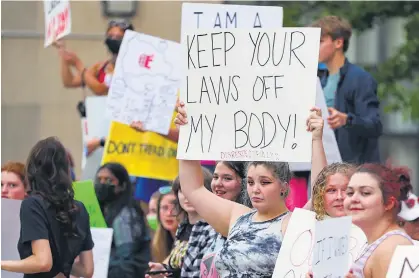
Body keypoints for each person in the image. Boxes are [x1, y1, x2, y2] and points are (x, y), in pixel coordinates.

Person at [175, 101, 324, 276]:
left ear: (284, 186)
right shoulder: (237, 217)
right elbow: (193, 189)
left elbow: (319, 196)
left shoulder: (292, 223)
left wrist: (316, 140)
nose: (256, 189)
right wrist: (187, 135)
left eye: (265, 182)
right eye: (251, 182)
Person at [1, 137, 94, 278]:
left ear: (32, 169)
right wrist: (63, 264)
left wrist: (2, 264)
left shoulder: (33, 204)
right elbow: (87, 270)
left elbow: (43, 262)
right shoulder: (80, 208)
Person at [311, 15, 382, 164]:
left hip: (352, 170)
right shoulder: (319, 79)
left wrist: (347, 120)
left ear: (338, 43)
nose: (315, 47)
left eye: (320, 42)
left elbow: (375, 126)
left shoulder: (360, 79)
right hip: (325, 165)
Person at [343, 163, 414, 277]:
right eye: (350, 193)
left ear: (389, 203)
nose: (354, 199)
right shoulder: (377, 242)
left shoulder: (392, 247)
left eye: (365, 193)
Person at [147, 168, 213, 278]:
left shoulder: (212, 228)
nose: (188, 195)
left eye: (194, 189)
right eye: (183, 190)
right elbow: (177, 265)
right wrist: (164, 270)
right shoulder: (183, 227)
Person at [94, 162, 151, 278]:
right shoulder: (104, 209)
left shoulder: (126, 214)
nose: (102, 183)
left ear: (122, 185)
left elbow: (126, 256)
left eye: (109, 180)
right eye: (99, 179)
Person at [57, 20, 134, 95]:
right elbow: (70, 82)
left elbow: (100, 89)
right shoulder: (101, 67)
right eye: (110, 36)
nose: (113, 40)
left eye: (118, 37)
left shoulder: (133, 68)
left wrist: (78, 64)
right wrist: (63, 51)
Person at [151, 187, 180, 263]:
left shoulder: (188, 241)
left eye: (175, 208)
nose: (169, 213)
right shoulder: (157, 241)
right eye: (165, 208)